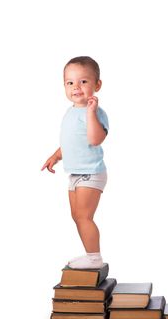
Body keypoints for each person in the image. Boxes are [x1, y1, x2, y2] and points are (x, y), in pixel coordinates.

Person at [41, 56, 109, 269]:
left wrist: (90, 113)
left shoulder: (96, 112)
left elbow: (95, 139)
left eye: (83, 81)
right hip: (75, 173)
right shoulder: (70, 112)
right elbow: (70, 142)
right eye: (70, 82)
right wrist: (56, 155)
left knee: (84, 216)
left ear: (97, 85)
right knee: (77, 216)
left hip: (91, 172)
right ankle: (90, 254)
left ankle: (94, 257)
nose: (76, 87)